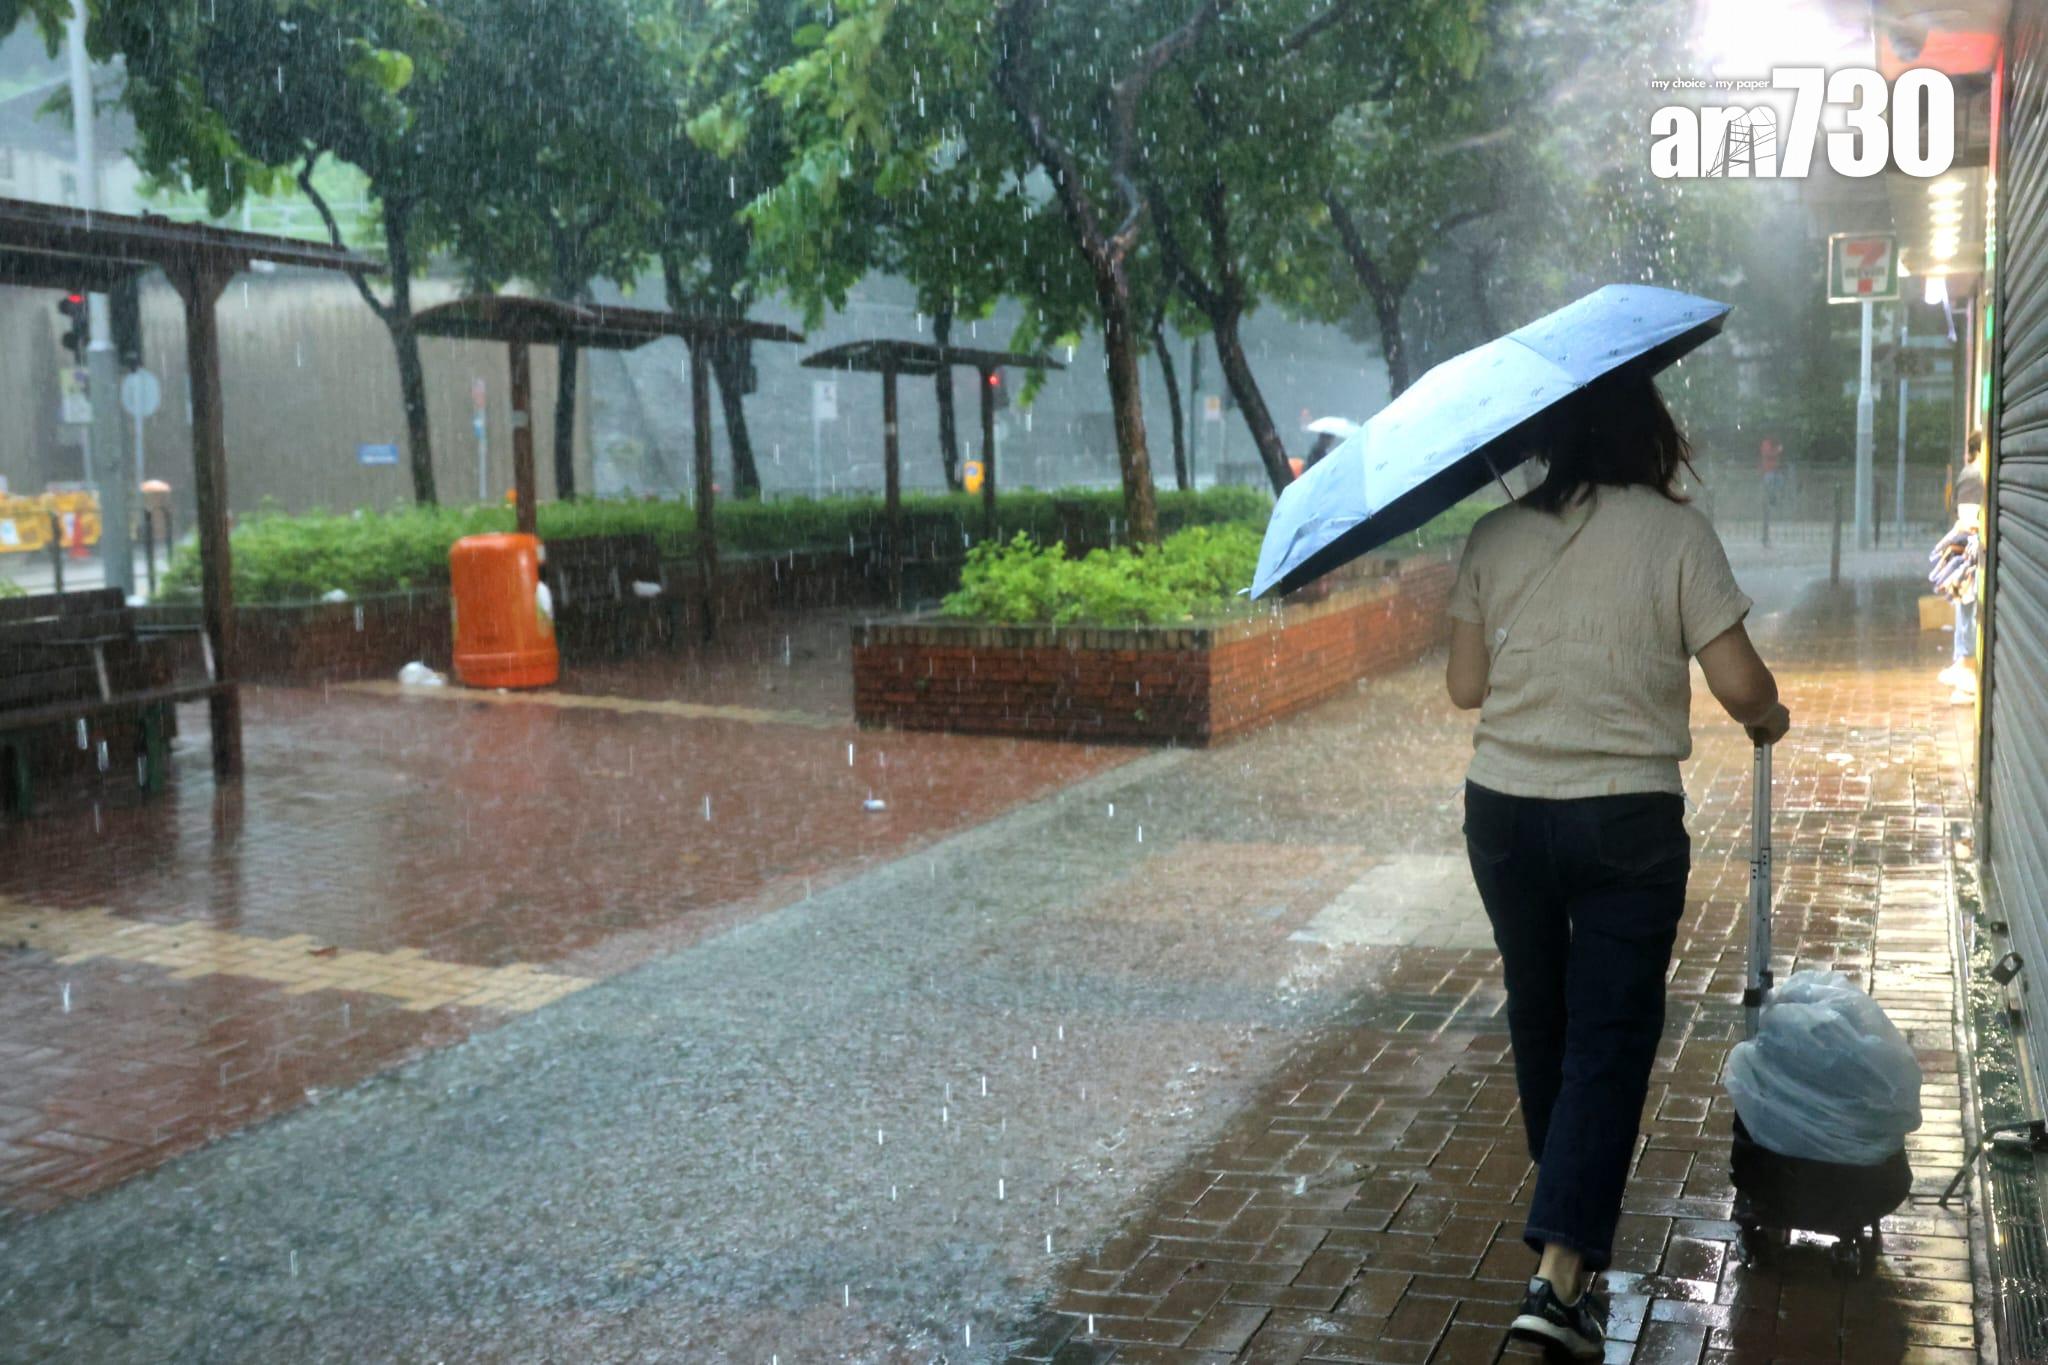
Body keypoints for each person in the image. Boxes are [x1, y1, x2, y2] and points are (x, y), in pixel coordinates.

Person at [1444, 365, 1791, 1361]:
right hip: (1623, 822)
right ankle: (1558, 1279)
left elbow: (1465, 687)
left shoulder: (1494, 534)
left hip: (1505, 815)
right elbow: (1740, 686)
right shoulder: (1676, 535)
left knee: (1541, 1013)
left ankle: (1566, 1228)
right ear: (1648, 434)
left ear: (1551, 439)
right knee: (1607, 1032)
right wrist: (1768, 715)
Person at [1935, 432, 1987, 702]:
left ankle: (1963, 667)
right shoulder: (1974, 476)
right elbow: (1968, 517)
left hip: (1969, 553)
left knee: (1966, 606)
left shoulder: (1972, 475)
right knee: (1968, 606)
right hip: (1970, 554)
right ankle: (1965, 670)